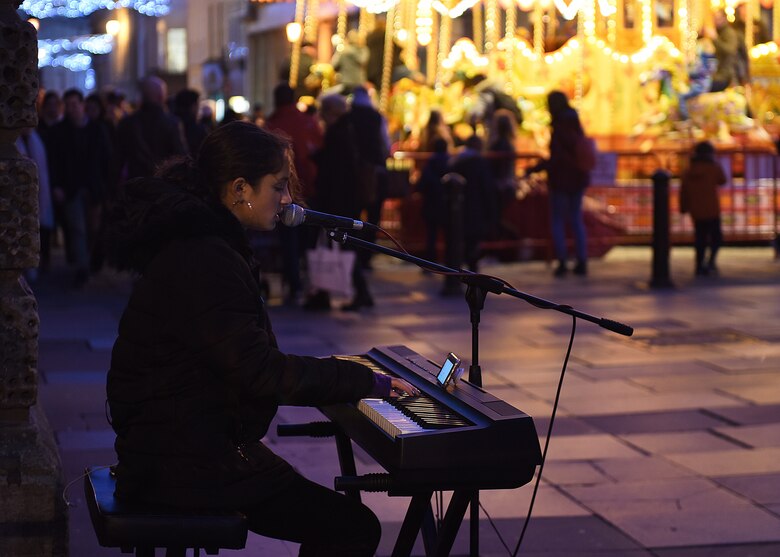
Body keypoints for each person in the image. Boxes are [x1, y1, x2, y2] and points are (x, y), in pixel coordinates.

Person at [104, 121, 419, 556]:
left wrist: (348, 377)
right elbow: (260, 371)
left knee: (340, 520)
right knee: (352, 527)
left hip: (181, 443)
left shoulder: (203, 244)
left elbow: (246, 358)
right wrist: (364, 381)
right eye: (279, 186)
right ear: (239, 189)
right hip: (187, 459)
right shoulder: (205, 257)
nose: (288, 199)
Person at [265, 83, 323, 305]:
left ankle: (294, 283)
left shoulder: (273, 124)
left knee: (288, 239)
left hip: (283, 192)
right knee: (308, 239)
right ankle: (310, 282)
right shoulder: (307, 122)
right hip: (310, 189)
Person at [526, 90, 590, 277]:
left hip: (561, 179)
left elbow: (557, 158)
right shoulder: (575, 124)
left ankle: (562, 260)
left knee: (558, 220)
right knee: (576, 218)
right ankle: (581, 259)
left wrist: (536, 168)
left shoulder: (560, 127)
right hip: (577, 178)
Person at [115, 75, 187, 180]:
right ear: (161, 96)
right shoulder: (172, 123)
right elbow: (180, 157)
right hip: (164, 186)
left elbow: (117, 160)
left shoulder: (127, 123)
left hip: (136, 184)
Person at [679, 140, 727, 276]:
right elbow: (722, 180)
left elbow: (683, 191)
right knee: (716, 237)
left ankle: (699, 265)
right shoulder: (713, 167)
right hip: (712, 208)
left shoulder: (689, 170)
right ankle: (711, 261)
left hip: (696, 209)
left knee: (700, 237)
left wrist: (683, 206)